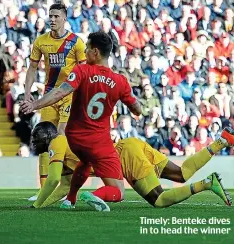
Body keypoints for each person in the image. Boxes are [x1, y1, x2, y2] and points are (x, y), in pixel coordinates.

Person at [21, 31, 143, 211]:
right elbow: (137, 110)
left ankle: (70, 199)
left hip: (75, 139)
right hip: (98, 143)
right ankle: (94, 195)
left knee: (85, 162)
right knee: (119, 192)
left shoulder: (82, 71)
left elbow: (60, 92)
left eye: (87, 48)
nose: (84, 52)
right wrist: (133, 106)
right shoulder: (120, 81)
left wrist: (35, 105)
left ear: (95, 52)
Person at [29, 122, 232, 209]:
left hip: (123, 156)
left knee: (159, 200)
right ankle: (220, 141)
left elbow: (54, 179)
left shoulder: (57, 142)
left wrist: (37, 204)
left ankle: (206, 183)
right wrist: (43, 203)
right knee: (182, 173)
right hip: (131, 144)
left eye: (36, 137)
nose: (35, 141)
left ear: (46, 136)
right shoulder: (66, 148)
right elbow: (64, 186)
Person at [23, 3, 86, 201]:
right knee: (43, 139)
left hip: (70, 96)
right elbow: (32, 69)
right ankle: (44, 189)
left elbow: (84, 73)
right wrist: (27, 93)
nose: (52, 19)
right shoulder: (41, 41)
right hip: (50, 96)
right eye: (50, 16)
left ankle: (66, 183)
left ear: (65, 18)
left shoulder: (76, 43)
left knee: (61, 136)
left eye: (56, 16)